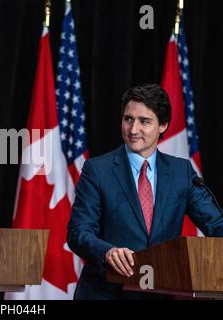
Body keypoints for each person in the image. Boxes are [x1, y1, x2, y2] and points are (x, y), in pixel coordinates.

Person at [67, 83, 223, 300]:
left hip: (162, 292)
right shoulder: (97, 170)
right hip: (106, 293)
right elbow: (78, 232)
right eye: (128, 119)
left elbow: (215, 224)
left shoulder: (182, 172)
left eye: (144, 121)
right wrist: (107, 251)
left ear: (163, 125)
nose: (133, 130)